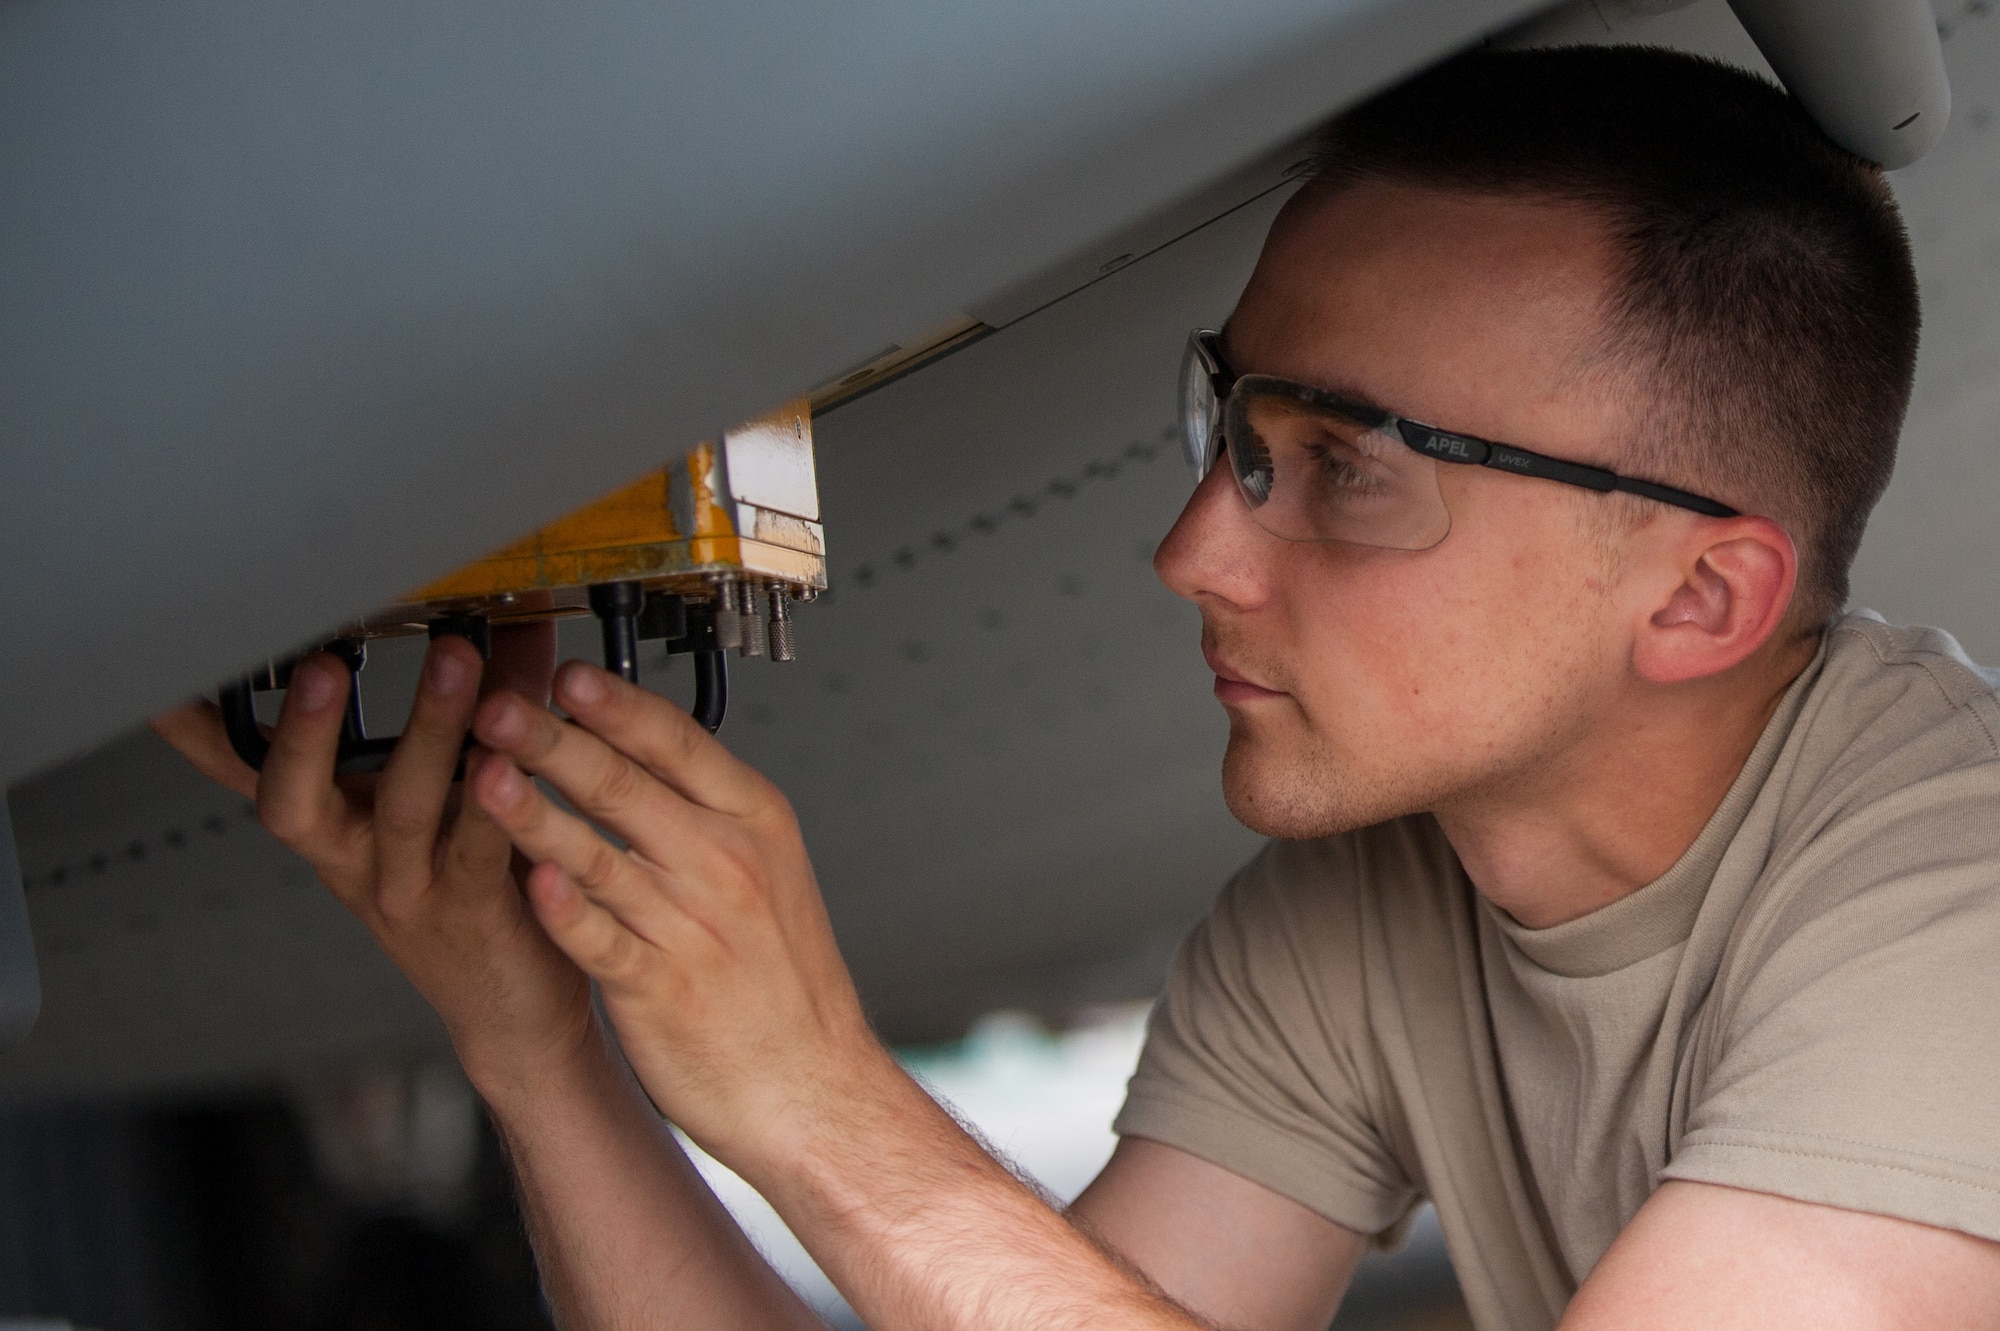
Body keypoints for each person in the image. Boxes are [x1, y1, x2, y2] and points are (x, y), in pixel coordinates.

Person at [156, 45, 2000, 1331]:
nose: (1194, 549)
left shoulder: (1956, 921)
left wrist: (822, 1103)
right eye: (1234, 425)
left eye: (1344, 469)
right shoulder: (1362, 914)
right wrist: (539, 1045)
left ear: (1697, 596)